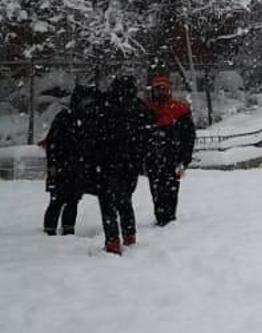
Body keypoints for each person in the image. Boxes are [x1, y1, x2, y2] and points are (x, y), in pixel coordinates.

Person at [93, 75, 147, 254]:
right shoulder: (138, 107)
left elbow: (95, 134)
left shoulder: (105, 107)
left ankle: (112, 240)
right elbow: (147, 132)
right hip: (130, 163)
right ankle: (129, 236)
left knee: (108, 203)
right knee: (125, 201)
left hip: (107, 162)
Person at [144, 70, 196, 227]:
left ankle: (169, 218)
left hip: (173, 157)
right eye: (158, 89)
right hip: (154, 157)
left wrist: (185, 157)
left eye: (164, 89)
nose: (161, 92)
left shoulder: (180, 109)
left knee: (171, 189)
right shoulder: (147, 109)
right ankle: (161, 217)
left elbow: (189, 136)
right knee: (157, 189)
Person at [42, 85, 94, 236]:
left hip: (76, 167)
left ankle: (67, 230)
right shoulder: (65, 118)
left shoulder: (86, 120)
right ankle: (50, 231)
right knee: (58, 200)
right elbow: (52, 144)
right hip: (63, 166)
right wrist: (53, 164)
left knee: (71, 200)